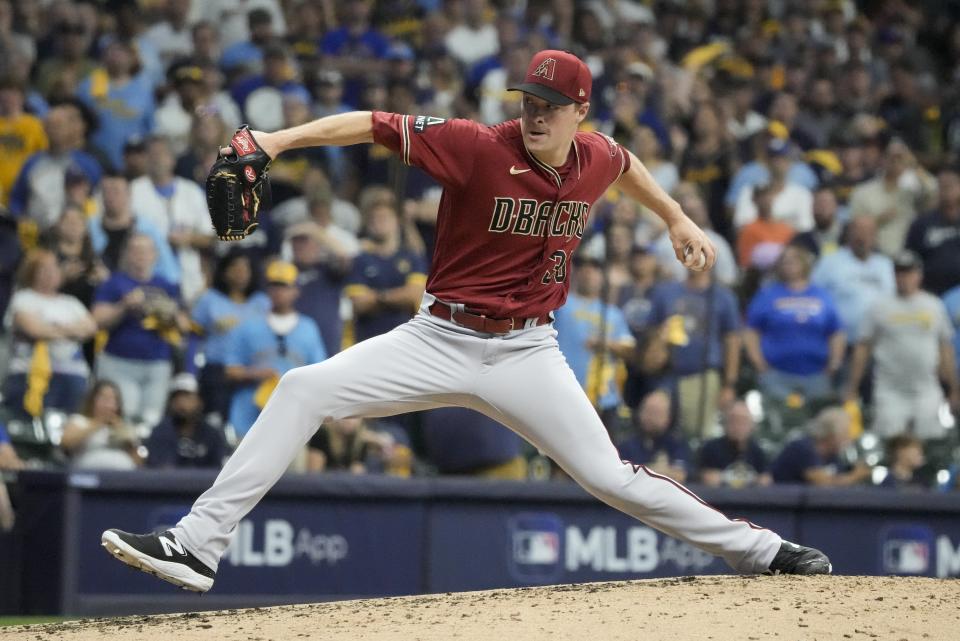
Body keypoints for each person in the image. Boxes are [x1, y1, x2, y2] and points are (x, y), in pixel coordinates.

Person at [103, 50, 830, 594]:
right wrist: (277, 142)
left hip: (528, 352)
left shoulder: (596, 156)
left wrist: (675, 214)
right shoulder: (480, 143)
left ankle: (761, 551)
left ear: (581, 112)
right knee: (301, 387)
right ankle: (198, 544)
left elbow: (627, 162)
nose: (534, 112)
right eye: (528, 99)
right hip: (438, 336)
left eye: (550, 103)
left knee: (611, 475)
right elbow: (371, 124)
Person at [846, 251, 959, 440]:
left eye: (908, 272)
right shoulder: (879, 306)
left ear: (919, 275)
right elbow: (863, 347)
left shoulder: (933, 305)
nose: (904, 278)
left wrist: (954, 388)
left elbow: (945, 347)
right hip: (890, 388)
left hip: (926, 387)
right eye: (899, 273)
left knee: (931, 440)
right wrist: (853, 386)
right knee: (890, 438)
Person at [224, 260, 326, 438]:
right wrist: (254, 374)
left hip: (294, 417)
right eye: (274, 286)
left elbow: (320, 372)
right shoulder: (249, 326)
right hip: (249, 416)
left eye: (284, 286)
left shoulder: (308, 328)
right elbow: (230, 370)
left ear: (295, 290)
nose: (278, 292)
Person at [92, 234, 186, 426]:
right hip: (119, 360)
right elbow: (97, 320)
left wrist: (170, 313)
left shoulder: (167, 286)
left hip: (157, 363)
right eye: (135, 250)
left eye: (146, 250)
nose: (141, 255)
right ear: (126, 254)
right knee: (124, 415)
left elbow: (185, 325)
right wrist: (124, 306)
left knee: (151, 420)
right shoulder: (113, 283)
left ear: (155, 255)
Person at [643, 263, 742, 440]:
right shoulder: (665, 292)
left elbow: (732, 341)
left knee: (697, 435)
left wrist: (729, 384)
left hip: (703, 374)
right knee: (654, 424)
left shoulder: (723, 297)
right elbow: (651, 332)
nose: (695, 259)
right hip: (666, 373)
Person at [744, 245, 845, 405]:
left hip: (817, 374)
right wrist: (759, 364)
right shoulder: (768, 294)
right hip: (776, 374)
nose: (788, 264)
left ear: (805, 263)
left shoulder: (822, 295)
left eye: (793, 260)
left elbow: (835, 333)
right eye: (784, 261)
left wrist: (833, 364)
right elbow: (751, 332)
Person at [2, 249, 97, 419]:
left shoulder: (70, 302)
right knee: (27, 423)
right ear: (32, 273)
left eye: (54, 269)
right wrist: (72, 331)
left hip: (73, 375)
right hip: (31, 374)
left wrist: (51, 328)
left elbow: (90, 328)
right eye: (44, 270)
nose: (50, 274)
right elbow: (34, 330)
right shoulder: (23, 298)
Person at [130, 136, 213, 303]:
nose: (157, 159)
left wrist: (189, 238)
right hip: (147, 277)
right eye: (152, 155)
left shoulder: (191, 192)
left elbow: (211, 237)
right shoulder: (134, 191)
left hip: (189, 276)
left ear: (172, 159)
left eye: (162, 154)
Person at [553, 256, 635, 421]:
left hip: (604, 397)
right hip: (565, 391)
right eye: (584, 269)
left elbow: (630, 350)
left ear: (602, 278)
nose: (589, 274)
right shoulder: (561, 304)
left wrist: (605, 344)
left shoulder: (613, 313)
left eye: (595, 270)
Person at [191, 252, 270, 423]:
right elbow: (194, 332)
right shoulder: (210, 299)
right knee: (216, 419)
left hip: (252, 370)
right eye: (235, 268)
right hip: (217, 369)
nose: (240, 273)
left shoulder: (262, 303)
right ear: (225, 271)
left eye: (245, 269)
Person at [344, 203, 426, 344]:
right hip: (367, 341)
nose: (378, 222)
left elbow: (414, 295)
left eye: (383, 218)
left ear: (397, 221)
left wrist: (378, 297)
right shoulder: (360, 260)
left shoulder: (412, 258)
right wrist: (399, 296)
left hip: (406, 341)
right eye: (373, 219)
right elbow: (360, 304)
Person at [811, 216, 895, 342]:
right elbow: (813, 295)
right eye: (858, 231)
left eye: (868, 232)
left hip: (879, 343)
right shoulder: (830, 261)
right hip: (841, 342)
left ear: (875, 237)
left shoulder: (885, 264)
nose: (862, 237)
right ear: (848, 234)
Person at [770, 406, 871, 486]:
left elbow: (837, 478)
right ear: (831, 434)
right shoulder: (802, 448)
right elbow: (824, 484)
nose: (848, 439)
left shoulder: (833, 455)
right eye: (845, 434)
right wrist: (855, 476)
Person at [145, 373, 226, 470]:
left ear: (199, 401)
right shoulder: (160, 432)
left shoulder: (212, 434)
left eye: (187, 397)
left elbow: (218, 470)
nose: (181, 402)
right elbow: (159, 470)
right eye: (176, 397)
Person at [61, 380, 141, 470]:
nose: (108, 405)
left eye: (113, 400)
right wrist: (99, 423)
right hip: (89, 473)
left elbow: (139, 461)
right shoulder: (80, 420)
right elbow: (66, 443)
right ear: (93, 400)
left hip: (122, 476)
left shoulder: (122, 426)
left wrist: (129, 441)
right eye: (104, 399)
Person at [905, 167, 960, 296]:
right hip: (931, 293)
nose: (946, 189)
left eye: (950, 184)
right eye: (942, 185)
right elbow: (910, 258)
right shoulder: (921, 224)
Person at [617, 390, 692, 483]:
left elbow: (680, 475)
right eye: (646, 411)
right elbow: (622, 476)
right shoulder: (626, 444)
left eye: (656, 413)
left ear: (668, 417)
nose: (649, 417)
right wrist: (660, 469)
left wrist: (644, 470)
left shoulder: (677, 443)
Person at [698, 401, 772, 488]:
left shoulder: (757, 451)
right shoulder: (711, 448)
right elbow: (702, 476)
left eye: (743, 421)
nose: (738, 426)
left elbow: (767, 479)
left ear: (752, 425)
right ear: (725, 423)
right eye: (734, 420)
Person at [735, 181, 795, 269]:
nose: (765, 200)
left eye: (768, 195)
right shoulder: (748, 230)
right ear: (754, 200)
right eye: (761, 196)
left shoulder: (787, 229)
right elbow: (745, 263)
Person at [306, 417, 397, 474]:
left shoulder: (360, 439)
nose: (349, 421)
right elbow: (313, 475)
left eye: (355, 417)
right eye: (345, 416)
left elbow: (358, 472)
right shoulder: (322, 435)